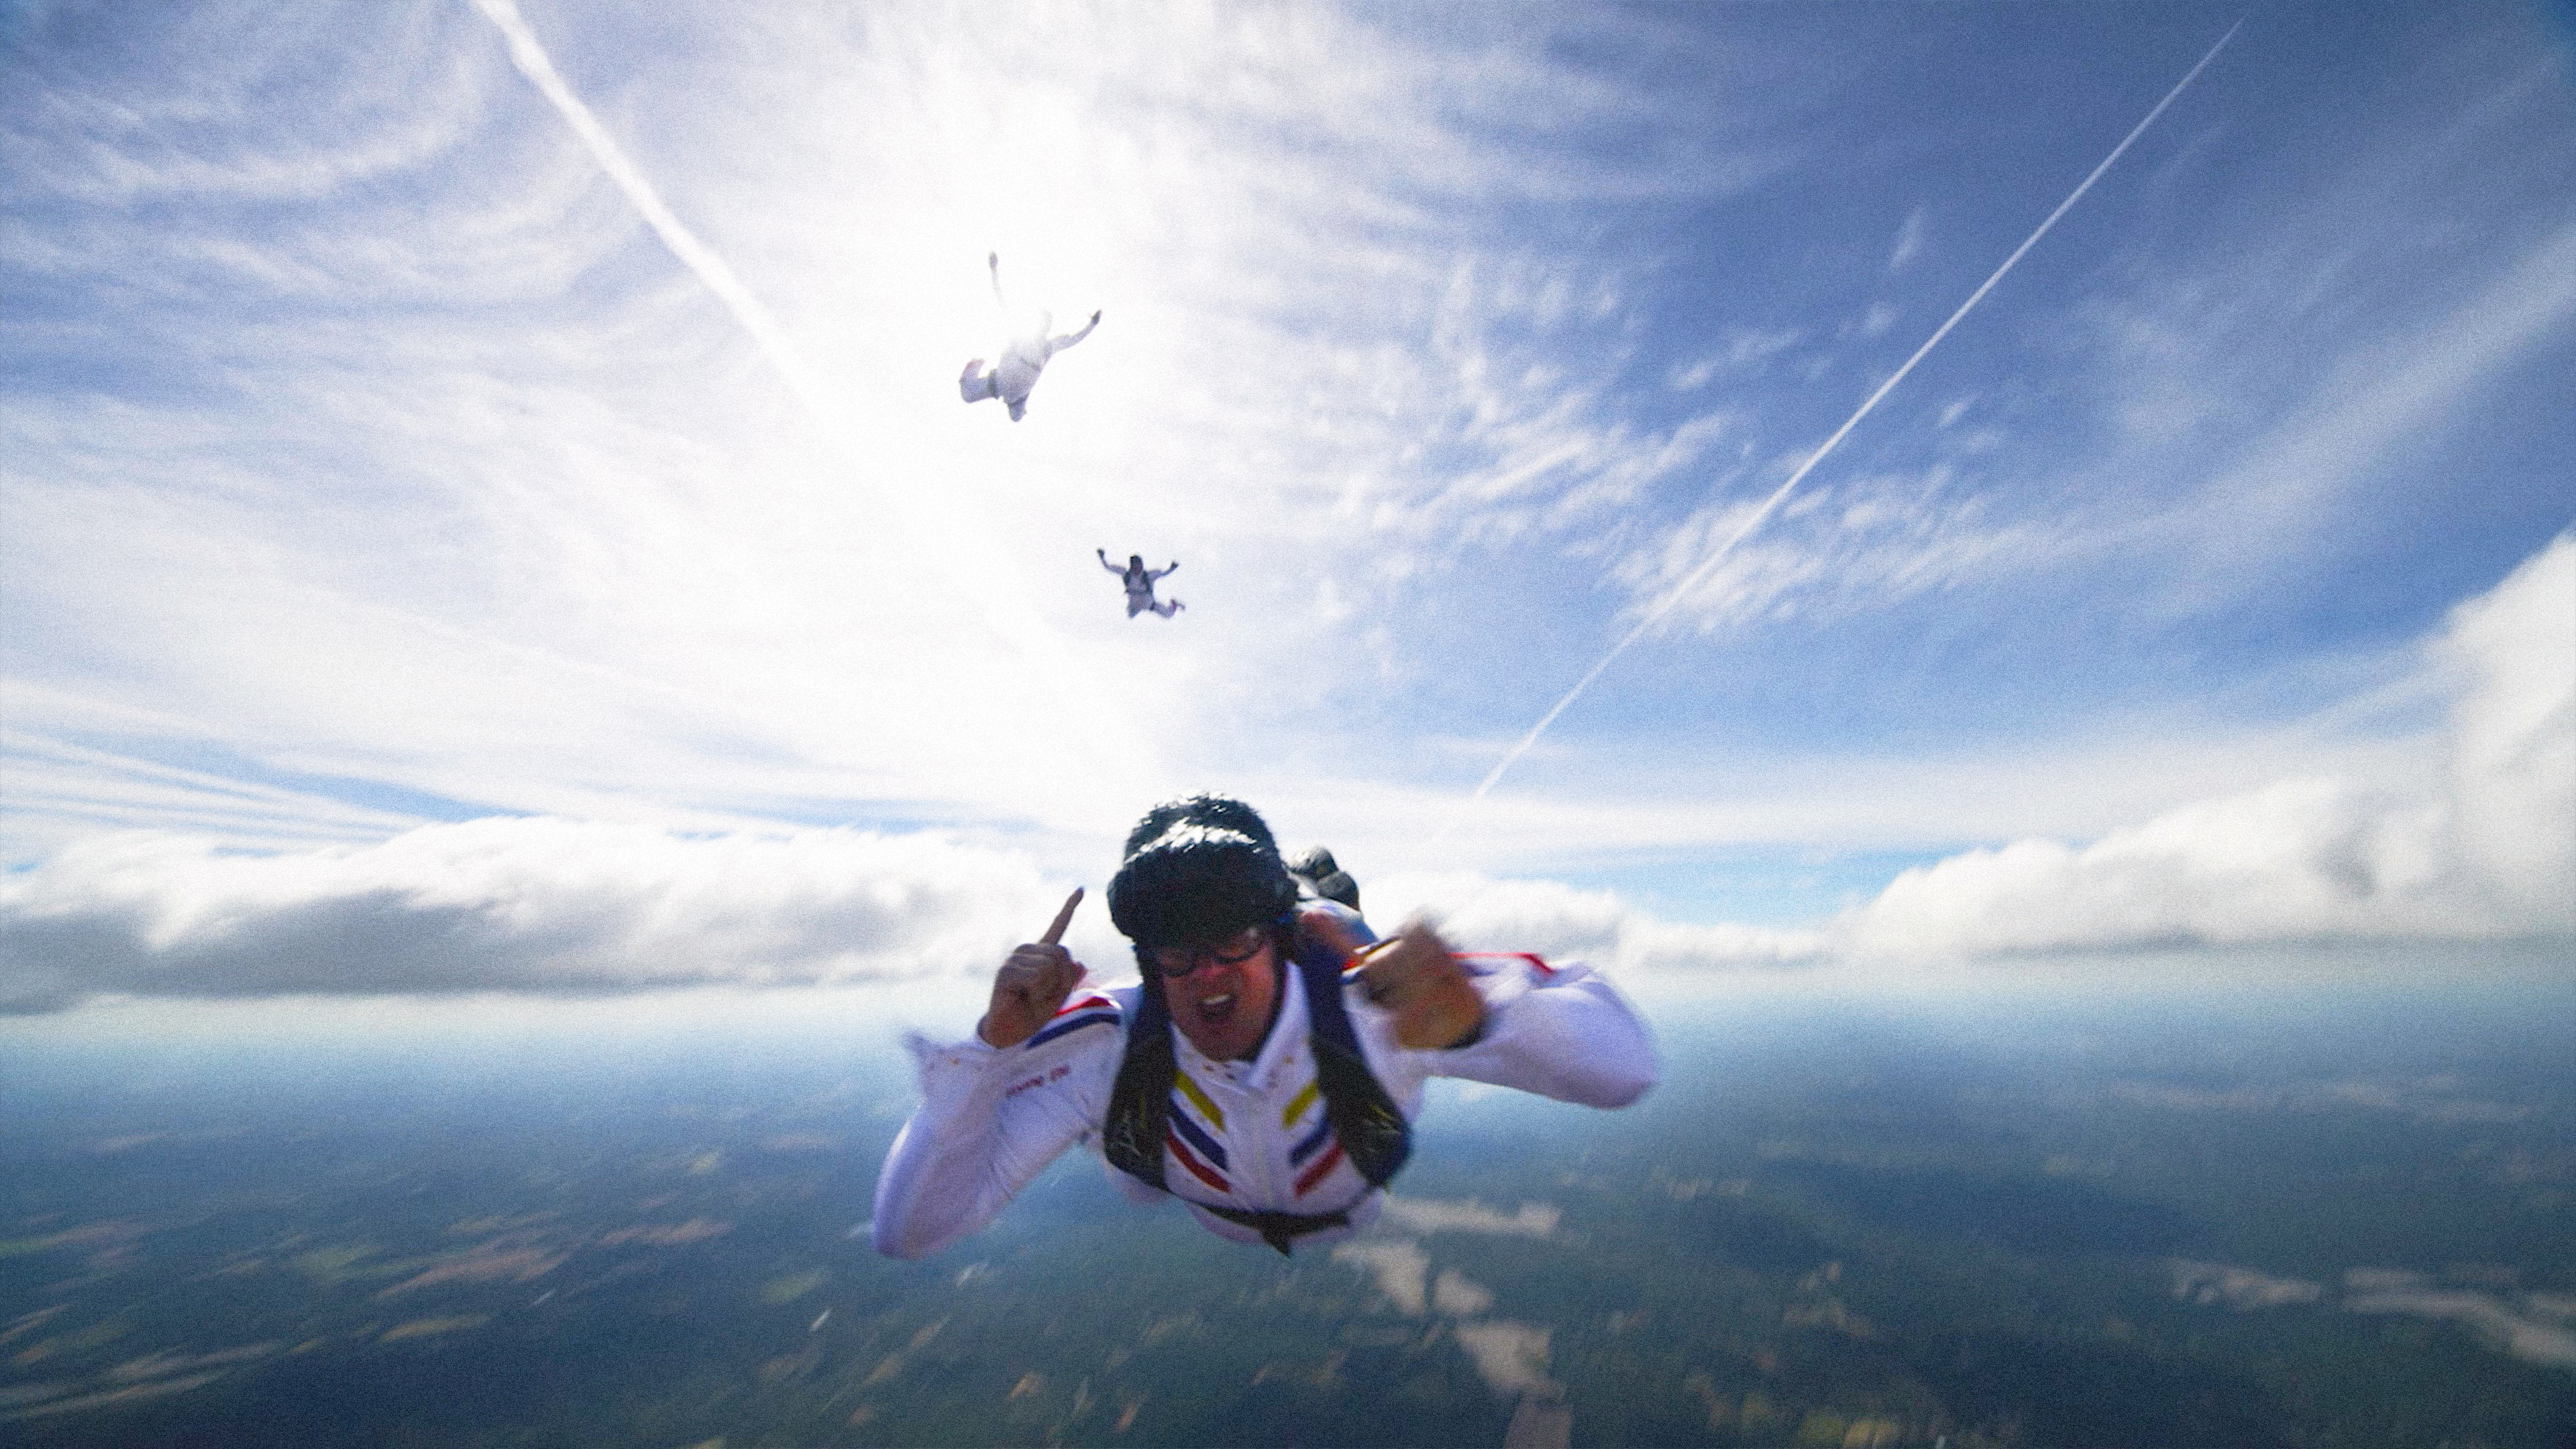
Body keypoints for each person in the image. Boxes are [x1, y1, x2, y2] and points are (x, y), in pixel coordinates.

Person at [871, 795, 1657, 1258]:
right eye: (1176, 947)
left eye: (1234, 938)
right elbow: (910, 1231)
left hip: (1315, 1196)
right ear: (1146, 960)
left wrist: (1479, 1018)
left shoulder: (1377, 1003)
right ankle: (1307, 896)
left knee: (1134, 1163)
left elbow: (1625, 1069)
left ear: (1277, 940)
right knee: (1131, 1166)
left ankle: (1321, 901)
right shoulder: (1107, 1041)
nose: (1207, 972)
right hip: (1244, 1197)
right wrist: (992, 1049)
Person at [960, 253, 1099, 422]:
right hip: (1007, 383)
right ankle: (978, 368)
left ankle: (1011, 396)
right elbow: (1002, 302)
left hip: (1011, 386)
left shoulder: (1042, 343)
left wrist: (1092, 324)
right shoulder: (1033, 340)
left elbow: (1073, 340)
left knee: (1010, 414)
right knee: (976, 398)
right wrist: (994, 269)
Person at [1099, 549, 1182, 619]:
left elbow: (1163, 574)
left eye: (1139, 565)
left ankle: (1174, 604)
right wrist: (1102, 558)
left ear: (1142, 566)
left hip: (1148, 603)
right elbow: (1108, 567)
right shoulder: (1126, 574)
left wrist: (1172, 568)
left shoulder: (1148, 576)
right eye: (1134, 566)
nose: (1137, 568)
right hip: (1134, 604)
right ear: (1131, 566)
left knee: (1168, 615)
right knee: (1130, 616)